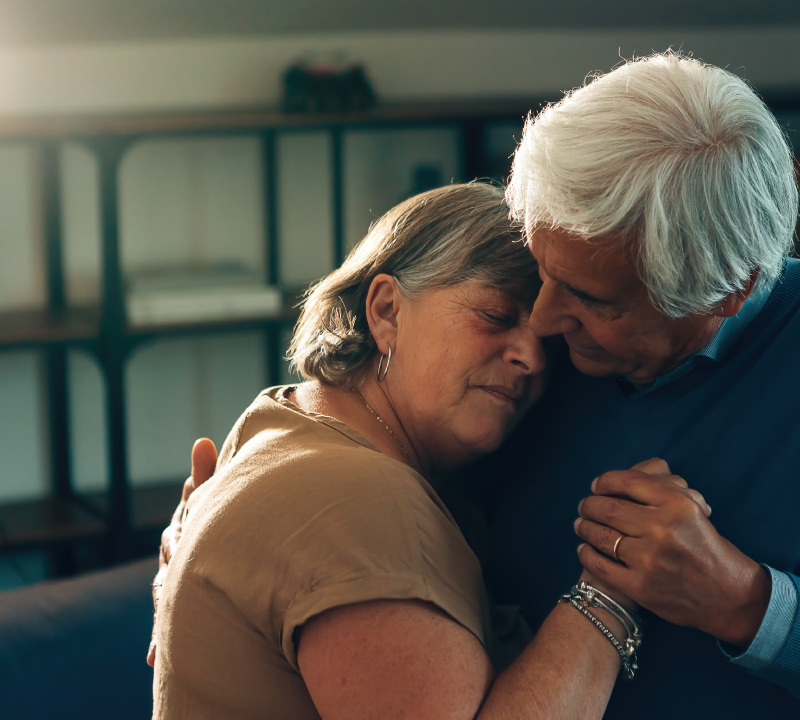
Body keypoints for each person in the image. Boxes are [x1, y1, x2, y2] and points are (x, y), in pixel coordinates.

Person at [159, 53, 800, 718]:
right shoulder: (532, 358)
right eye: (541, 271)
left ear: (726, 294)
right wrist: (224, 546)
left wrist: (749, 603)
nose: (543, 322)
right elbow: (371, 474)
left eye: (593, 299)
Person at [151, 182, 672, 719]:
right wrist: (610, 585)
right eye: (496, 315)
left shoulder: (279, 418)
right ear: (386, 312)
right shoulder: (361, 496)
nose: (532, 359)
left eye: (548, 344)